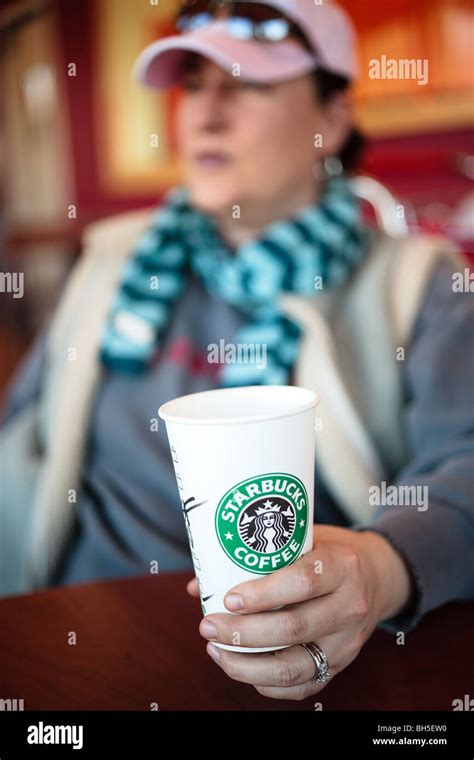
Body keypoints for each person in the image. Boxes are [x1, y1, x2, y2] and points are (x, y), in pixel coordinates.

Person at [1, 0, 473, 702]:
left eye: (247, 82)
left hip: (298, 667)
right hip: (67, 637)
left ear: (331, 121)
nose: (204, 113)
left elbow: (465, 469)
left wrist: (378, 568)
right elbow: (20, 438)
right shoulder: (113, 260)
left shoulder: (421, 283)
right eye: (193, 82)